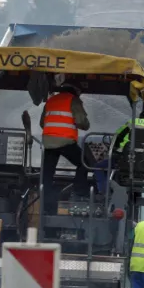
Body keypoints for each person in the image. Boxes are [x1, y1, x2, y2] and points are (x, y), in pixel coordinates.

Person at [39, 84, 91, 214]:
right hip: (65, 141)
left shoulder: (51, 100)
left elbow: (42, 123)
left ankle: (46, 203)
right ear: (75, 92)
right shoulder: (73, 100)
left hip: (49, 142)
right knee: (85, 162)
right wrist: (85, 123)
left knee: (47, 175)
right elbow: (81, 122)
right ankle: (78, 192)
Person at [94, 103, 144, 197]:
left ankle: (104, 191)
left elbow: (118, 136)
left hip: (123, 160)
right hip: (143, 166)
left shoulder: (133, 122)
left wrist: (114, 149)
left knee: (99, 167)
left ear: (142, 114)